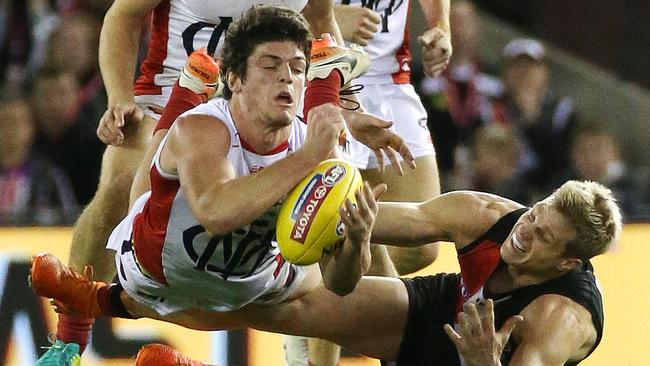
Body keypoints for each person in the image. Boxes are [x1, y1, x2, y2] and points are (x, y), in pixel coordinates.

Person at [42, 0, 412, 363]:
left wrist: (347, 110)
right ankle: (69, 340)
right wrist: (119, 97)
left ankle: (348, 356)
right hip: (171, 85)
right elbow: (122, 16)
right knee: (119, 186)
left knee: (342, 213)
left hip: (269, 97)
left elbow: (321, 31)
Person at [33, 178, 620, 365]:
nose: (526, 228)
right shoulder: (491, 216)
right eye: (537, 211)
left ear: (569, 262)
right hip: (445, 314)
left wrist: (481, 363)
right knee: (282, 301)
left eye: (543, 235)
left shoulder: (560, 318)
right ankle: (98, 300)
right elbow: (367, 217)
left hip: (478, 360)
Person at [332, 0, 452, 275]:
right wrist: (325, 17)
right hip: (317, 73)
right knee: (319, 224)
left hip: (388, 82)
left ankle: (348, 302)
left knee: (420, 246)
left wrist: (441, 26)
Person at [498, 38, 578, 195]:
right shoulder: (489, 102)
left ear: (545, 72)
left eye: (530, 66)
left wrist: (531, 120)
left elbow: (563, 161)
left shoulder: (562, 112)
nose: (523, 72)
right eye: (517, 66)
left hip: (543, 191)